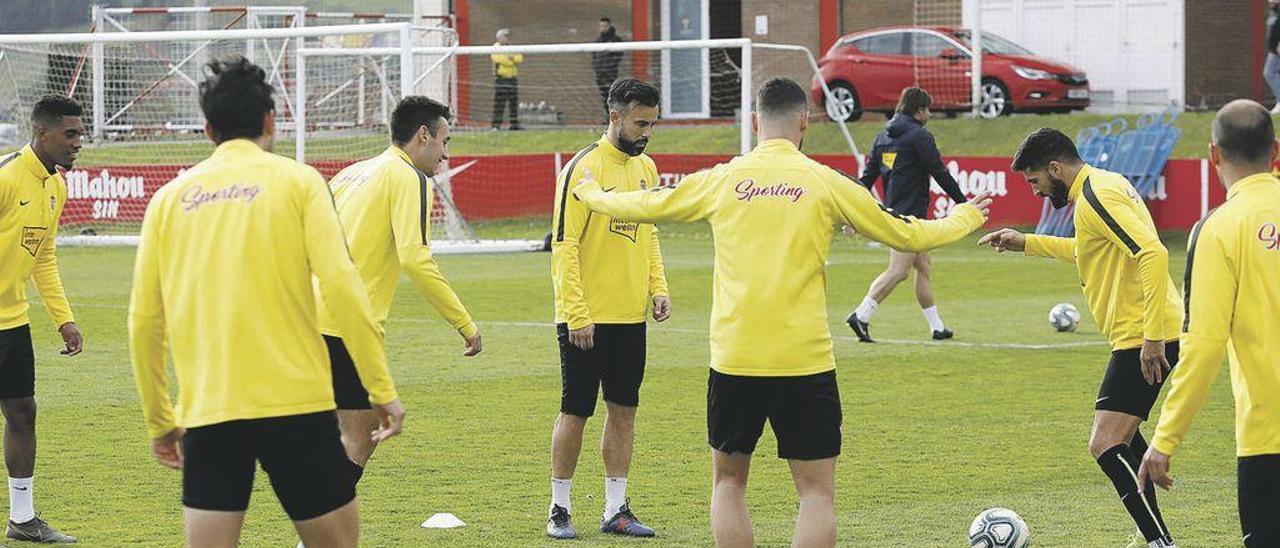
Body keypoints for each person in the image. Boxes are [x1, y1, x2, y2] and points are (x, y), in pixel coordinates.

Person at [573, 77, 991, 548]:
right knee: (816, 495)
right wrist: (967, 216)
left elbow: (647, 204)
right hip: (805, 361)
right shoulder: (826, 183)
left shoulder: (722, 179)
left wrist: (592, 194)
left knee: (729, 484)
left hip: (735, 360)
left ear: (753, 122)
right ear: (804, 122)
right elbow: (909, 235)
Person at [128, 55, 405, 548]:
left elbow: (145, 322)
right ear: (271, 122)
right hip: (297, 406)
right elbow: (343, 289)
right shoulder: (300, 182)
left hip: (212, 409)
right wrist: (380, 390)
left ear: (208, 129)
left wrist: (159, 420)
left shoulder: (169, 199)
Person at [978, 128, 1182, 548]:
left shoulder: (1096, 195)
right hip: (1139, 333)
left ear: (1055, 168)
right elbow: (1088, 251)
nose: (1034, 191)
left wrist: (1153, 337)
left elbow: (1153, 253)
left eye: (1034, 181)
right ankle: (1158, 539)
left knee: (1104, 443)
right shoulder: (1106, 184)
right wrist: (1026, 243)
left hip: (1141, 336)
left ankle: (1160, 543)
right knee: (1122, 443)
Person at [1138, 99, 1280, 548]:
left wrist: (1164, 440)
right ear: (1275, 150)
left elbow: (1203, 346)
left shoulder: (1219, 229)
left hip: (1269, 436)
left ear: (1213, 154)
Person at [317, 95, 481, 477]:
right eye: (445, 141)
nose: (445, 155)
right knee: (362, 436)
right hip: (348, 326)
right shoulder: (408, 177)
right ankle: (318, 532)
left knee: (345, 432)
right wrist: (465, 324)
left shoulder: (350, 174)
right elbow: (415, 258)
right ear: (424, 135)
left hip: (307, 316)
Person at [546, 78, 670, 540]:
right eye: (641, 123)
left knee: (624, 411)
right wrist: (577, 313)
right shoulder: (580, 170)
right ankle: (559, 508)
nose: (647, 133)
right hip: (586, 320)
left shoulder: (647, 169)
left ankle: (616, 508)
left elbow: (649, 233)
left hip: (629, 318)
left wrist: (658, 286)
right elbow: (564, 246)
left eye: (653, 124)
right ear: (614, 116)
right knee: (575, 411)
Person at [0, 95, 85, 544]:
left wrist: (64, 319)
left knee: (22, 412)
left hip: (12, 323)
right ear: (42, 133)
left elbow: (43, 257)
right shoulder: (7, 178)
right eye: (70, 134)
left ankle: (22, 518)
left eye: (79, 133)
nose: (78, 142)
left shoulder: (56, 186)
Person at [846, 87, 969, 343]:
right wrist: (964, 203)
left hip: (896, 212)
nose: (930, 115)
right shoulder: (919, 136)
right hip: (908, 217)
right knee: (899, 271)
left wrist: (851, 213)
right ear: (919, 110)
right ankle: (861, 315)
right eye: (928, 110)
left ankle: (937, 327)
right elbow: (940, 172)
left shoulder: (882, 136)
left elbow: (865, 179)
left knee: (923, 266)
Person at [591, 17, 624, 121]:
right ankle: (608, 117)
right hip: (600, 74)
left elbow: (619, 55)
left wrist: (611, 65)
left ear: (609, 26)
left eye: (605, 26)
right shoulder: (598, 41)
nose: (603, 28)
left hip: (610, 74)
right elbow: (594, 56)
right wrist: (596, 67)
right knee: (604, 97)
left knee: (612, 96)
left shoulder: (615, 40)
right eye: (601, 26)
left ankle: (614, 117)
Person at [491, 28, 524, 130]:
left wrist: (512, 59)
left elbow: (519, 58)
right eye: (505, 36)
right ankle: (496, 125)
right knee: (499, 103)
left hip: (512, 79)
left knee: (513, 103)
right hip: (501, 79)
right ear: (500, 37)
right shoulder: (495, 47)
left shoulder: (512, 47)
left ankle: (514, 124)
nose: (507, 38)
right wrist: (511, 60)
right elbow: (500, 59)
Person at [1266, 1, 1280, 114]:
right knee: (1271, 74)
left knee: (1269, 73)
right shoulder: (1272, 11)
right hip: (1273, 50)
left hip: (1278, 50)